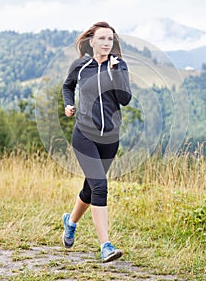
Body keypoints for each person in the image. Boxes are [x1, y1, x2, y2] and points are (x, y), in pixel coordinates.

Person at [62, 21, 132, 263]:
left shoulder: (119, 66)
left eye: (110, 40)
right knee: (101, 187)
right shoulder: (81, 66)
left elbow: (125, 99)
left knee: (90, 189)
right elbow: (67, 86)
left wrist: (115, 74)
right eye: (102, 39)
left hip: (110, 139)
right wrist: (68, 104)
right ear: (91, 41)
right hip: (84, 136)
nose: (106, 43)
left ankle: (70, 222)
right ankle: (106, 246)